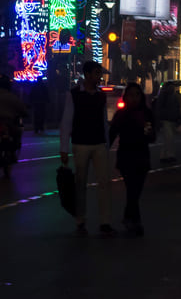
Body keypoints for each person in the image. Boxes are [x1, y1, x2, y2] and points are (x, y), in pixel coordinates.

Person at [59, 61, 115, 237]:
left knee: (104, 183)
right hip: (80, 144)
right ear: (88, 75)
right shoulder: (74, 94)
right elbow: (67, 120)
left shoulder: (101, 95)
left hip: (98, 144)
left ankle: (105, 222)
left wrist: (107, 144)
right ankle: (80, 220)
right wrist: (64, 148)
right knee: (80, 184)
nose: (100, 77)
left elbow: (104, 122)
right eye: (97, 73)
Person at [109, 82, 156, 236]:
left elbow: (152, 136)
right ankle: (135, 222)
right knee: (132, 189)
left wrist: (147, 131)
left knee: (135, 191)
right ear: (126, 97)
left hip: (141, 156)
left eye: (136, 95)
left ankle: (129, 218)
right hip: (126, 156)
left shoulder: (146, 113)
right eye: (130, 95)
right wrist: (103, 151)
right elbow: (112, 134)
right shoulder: (121, 115)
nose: (134, 98)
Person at [0, 75, 28, 156]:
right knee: (16, 133)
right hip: (6, 122)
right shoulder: (12, 97)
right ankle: (12, 154)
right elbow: (21, 109)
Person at [154, 82, 180, 163]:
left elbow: (177, 107)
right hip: (166, 119)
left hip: (171, 119)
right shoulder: (165, 96)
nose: (172, 88)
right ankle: (170, 155)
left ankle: (163, 155)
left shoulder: (172, 96)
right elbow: (159, 107)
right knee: (169, 137)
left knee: (167, 138)